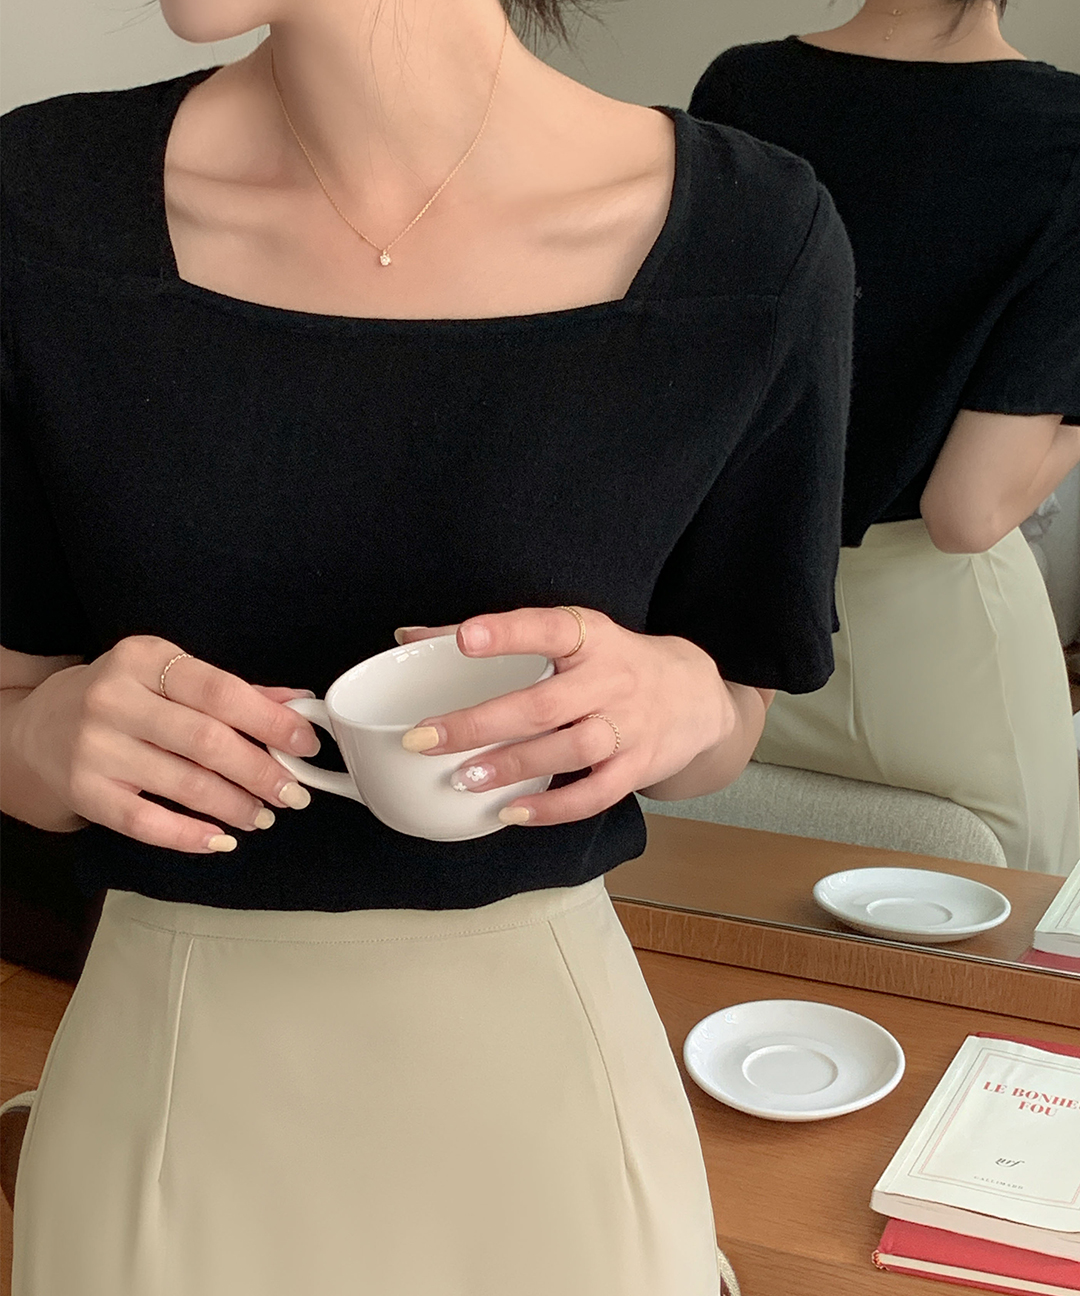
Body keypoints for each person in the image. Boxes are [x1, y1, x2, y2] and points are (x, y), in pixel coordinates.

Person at [0, 0, 853, 1291]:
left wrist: (678, 696)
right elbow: (10, 704)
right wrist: (45, 735)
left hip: (546, 1109)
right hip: (169, 1086)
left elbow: (730, 715)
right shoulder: (38, 210)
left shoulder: (754, 242)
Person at [690, 0, 1080, 873]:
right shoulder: (1066, 136)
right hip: (942, 670)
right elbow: (968, 510)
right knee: (1006, 944)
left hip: (735, 625)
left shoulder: (740, 89)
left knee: (717, 923)